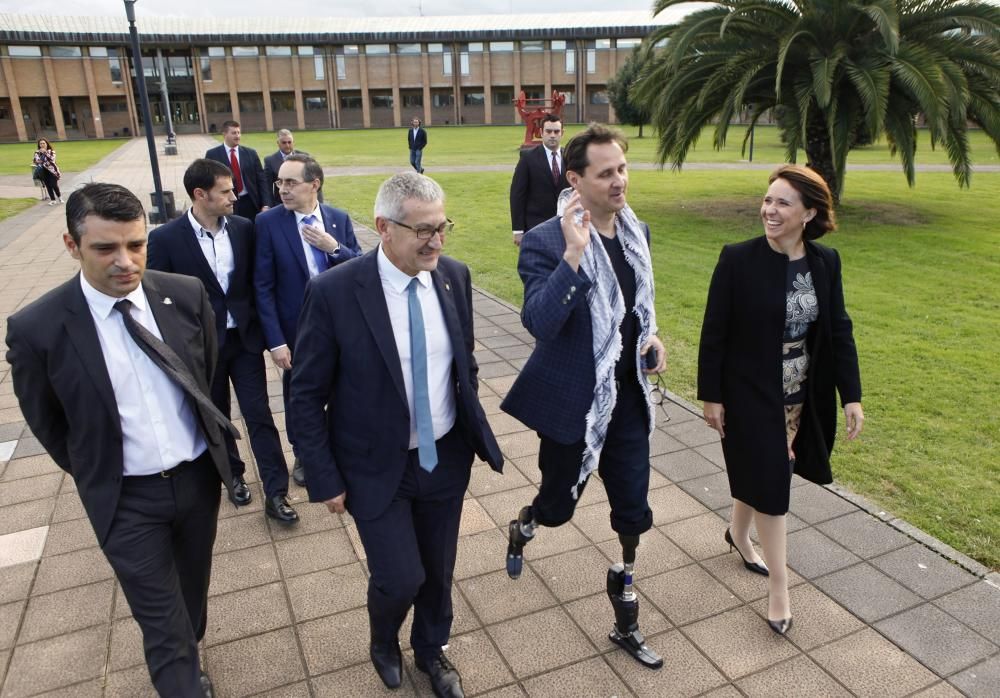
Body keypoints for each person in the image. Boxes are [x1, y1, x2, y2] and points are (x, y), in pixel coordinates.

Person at [5, 183, 235, 697]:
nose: (125, 261)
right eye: (105, 248)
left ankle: (189, 646)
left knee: (191, 595)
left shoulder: (186, 294)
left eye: (136, 244)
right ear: (72, 245)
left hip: (198, 480)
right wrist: (100, 469)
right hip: (126, 499)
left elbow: (206, 375)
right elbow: (48, 423)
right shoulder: (36, 329)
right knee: (163, 624)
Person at [290, 172, 503, 698]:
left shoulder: (454, 276)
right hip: (372, 465)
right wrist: (324, 475)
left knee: (438, 568)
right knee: (400, 576)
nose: (437, 241)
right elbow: (304, 394)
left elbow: (463, 361)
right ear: (383, 227)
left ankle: (432, 652)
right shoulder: (335, 291)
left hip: (444, 456)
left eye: (442, 227)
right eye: (423, 230)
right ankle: (384, 641)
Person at [501, 124, 667, 669]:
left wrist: (651, 338)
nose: (620, 181)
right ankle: (526, 521)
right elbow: (540, 324)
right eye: (606, 173)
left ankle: (625, 605)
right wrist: (574, 255)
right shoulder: (549, 239)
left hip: (628, 400)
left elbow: (637, 305)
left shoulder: (636, 229)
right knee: (557, 508)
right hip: (575, 403)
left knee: (633, 511)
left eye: (622, 168)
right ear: (575, 179)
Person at [698, 164, 864, 635]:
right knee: (773, 485)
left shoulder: (825, 263)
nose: (769, 210)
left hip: (800, 394)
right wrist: (711, 397)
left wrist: (850, 395)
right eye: (768, 200)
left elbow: (838, 329)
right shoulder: (737, 259)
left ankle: (736, 533)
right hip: (749, 392)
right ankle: (780, 588)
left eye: (782, 203)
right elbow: (714, 334)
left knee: (765, 472)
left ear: (809, 213)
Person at [148, 158, 299, 523]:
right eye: (226, 190)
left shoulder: (245, 228)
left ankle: (276, 492)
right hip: (201, 346)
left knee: (259, 414)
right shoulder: (165, 239)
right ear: (200, 195)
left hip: (244, 339)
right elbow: (154, 294)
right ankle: (232, 475)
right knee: (215, 415)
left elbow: (257, 281)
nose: (236, 195)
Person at [255, 153, 361, 487]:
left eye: (290, 182)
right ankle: (304, 454)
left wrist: (335, 248)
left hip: (340, 327)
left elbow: (359, 268)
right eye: (279, 182)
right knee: (300, 397)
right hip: (296, 331)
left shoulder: (337, 219)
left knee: (346, 390)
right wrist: (275, 342)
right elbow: (263, 285)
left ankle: (343, 446)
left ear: (314, 184)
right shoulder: (269, 223)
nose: (282, 190)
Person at [509, 114, 568, 246]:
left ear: (562, 133)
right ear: (541, 132)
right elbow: (517, 194)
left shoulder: (570, 157)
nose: (552, 135)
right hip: (536, 227)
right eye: (548, 131)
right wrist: (518, 230)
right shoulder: (527, 158)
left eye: (556, 131)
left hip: (566, 227)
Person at [205, 120, 270, 220]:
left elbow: (261, 179)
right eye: (234, 133)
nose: (237, 136)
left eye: (239, 132)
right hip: (227, 203)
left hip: (251, 202)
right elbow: (208, 182)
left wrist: (266, 204)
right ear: (224, 134)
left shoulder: (251, 153)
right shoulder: (212, 155)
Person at [263, 128, 323, 203]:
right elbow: (266, 187)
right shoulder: (270, 161)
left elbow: (314, 180)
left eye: (289, 142)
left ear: (293, 142)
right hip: (282, 203)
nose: (287, 145)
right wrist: (269, 205)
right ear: (278, 143)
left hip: (302, 201)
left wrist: (319, 202)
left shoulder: (305, 157)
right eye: (284, 143)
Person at [33, 138, 63, 205]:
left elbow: (52, 159)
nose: (42, 145)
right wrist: (40, 160)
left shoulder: (52, 151)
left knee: (54, 185)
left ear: (47, 144)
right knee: (48, 186)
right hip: (43, 171)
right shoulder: (37, 152)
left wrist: (45, 153)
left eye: (44, 143)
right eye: (41, 143)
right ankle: (53, 200)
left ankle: (60, 197)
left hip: (52, 171)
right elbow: (35, 161)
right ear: (39, 145)